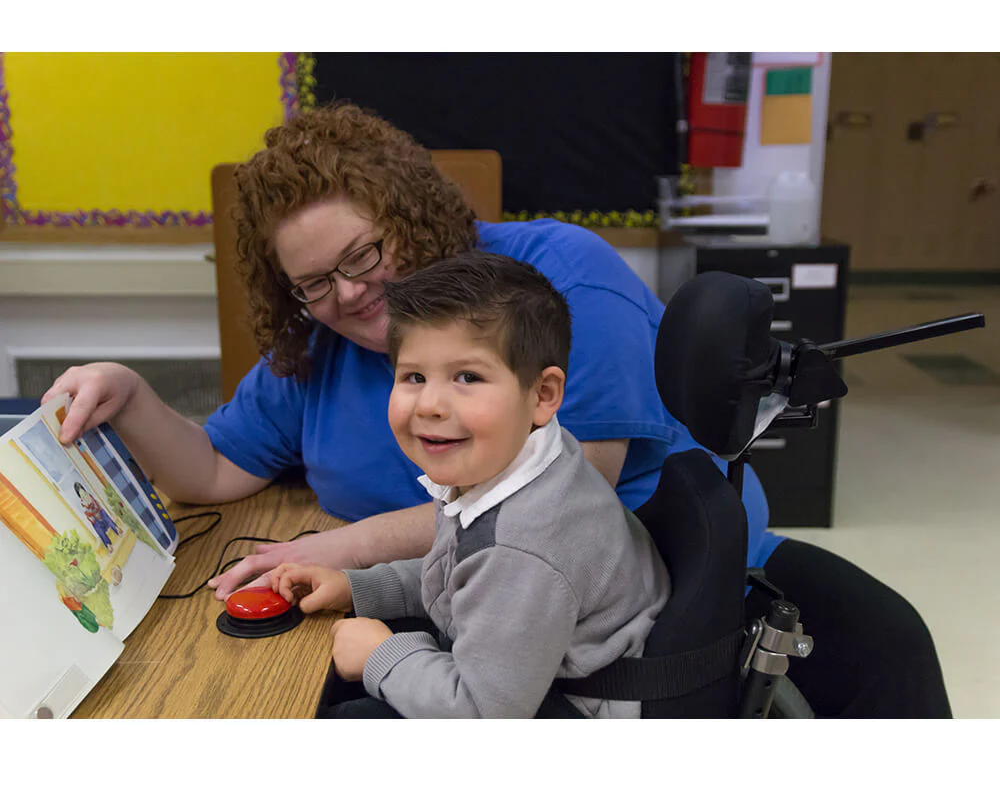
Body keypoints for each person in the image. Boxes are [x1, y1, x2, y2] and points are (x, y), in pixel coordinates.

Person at [42, 100, 949, 718]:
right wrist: (129, 394)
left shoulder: (547, 287)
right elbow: (213, 468)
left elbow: (552, 494)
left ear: (409, 215)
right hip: (460, 595)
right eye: (313, 283)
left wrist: (348, 552)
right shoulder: (319, 343)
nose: (349, 295)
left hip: (629, 602)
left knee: (887, 644)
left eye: (364, 256)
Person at [273, 252, 670, 718]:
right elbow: (459, 573)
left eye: (468, 377)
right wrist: (358, 587)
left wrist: (380, 655)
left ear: (542, 395)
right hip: (518, 680)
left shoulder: (524, 545)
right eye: (414, 376)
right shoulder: (520, 462)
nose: (430, 405)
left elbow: (481, 714)